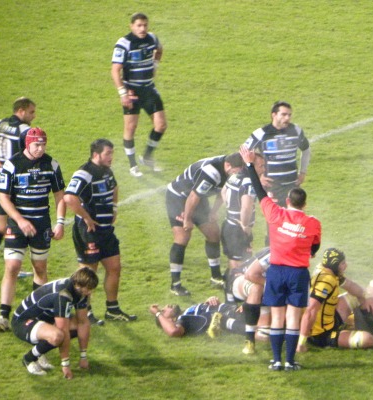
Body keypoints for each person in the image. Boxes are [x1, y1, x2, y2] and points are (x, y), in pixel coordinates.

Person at [240, 145, 321, 371]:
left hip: (276, 271)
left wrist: (249, 164)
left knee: (277, 317)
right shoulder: (313, 223)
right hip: (298, 273)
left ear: (287, 201)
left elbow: (259, 191)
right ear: (304, 204)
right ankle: (290, 361)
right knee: (293, 317)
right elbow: (315, 247)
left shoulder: (275, 214)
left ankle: (276, 361)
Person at [0, 127, 66, 332]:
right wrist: (19, 220)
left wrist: (60, 222)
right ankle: (3, 316)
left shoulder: (51, 164)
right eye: (37, 145)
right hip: (17, 225)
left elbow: (60, 196)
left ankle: (36, 313)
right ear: (27, 144)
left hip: (41, 224)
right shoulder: (12, 165)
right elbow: (4, 198)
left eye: (43, 144)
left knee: (40, 268)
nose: (41, 149)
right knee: (12, 266)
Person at [64, 139, 136, 323]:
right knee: (88, 274)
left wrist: (114, 207)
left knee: (114, 267)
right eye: (108, 153)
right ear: (96, 154)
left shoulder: (107, 171)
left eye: (112, 153)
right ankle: (85, 312)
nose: (111, 157)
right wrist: (86, 218)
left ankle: (112, 309)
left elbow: (115, 187)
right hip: (88, 231)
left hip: (106, 230)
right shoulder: (84, 173)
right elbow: (69, 198)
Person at [166, 153, 245, 296]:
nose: (236, 175)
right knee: (183, 237)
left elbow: (223, 190)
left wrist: (213, 211)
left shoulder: (230, 168)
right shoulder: (211, 172)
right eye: (235, 172)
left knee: (213, 233)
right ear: (228, 165)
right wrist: (187, 219)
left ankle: (215, 277)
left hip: (198, 196)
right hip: (179, 197)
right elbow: (193, 196)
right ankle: (175, 284)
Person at [0, 97, 36, 281]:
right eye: (31, 112)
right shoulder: (24, 130)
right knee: (18, 224)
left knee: (1, 226)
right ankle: (14, 267)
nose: (33, 116)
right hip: (16, 182)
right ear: (21, 111)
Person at [12, 267, 98, 378]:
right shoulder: (63, 295)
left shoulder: (79, 290)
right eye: (89, 289)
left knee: (78, 325)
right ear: (78, 285)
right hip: (22, 322)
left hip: (43, 320)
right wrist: (65, 365)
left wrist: (83, 357)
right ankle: (29, 359)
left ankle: (39, 353)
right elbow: (63, 330)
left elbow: (83, 322)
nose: (90, 292)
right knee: (57, 336)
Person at [112, 12, 166, 177]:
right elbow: (115, 71)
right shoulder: (124, 43)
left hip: (149, 89)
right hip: (132, 91)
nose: (142, 29)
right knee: (130, 127)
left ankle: (147, 157)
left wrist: (155, 64)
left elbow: (159, 49)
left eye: (145, 25)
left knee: (161, 125)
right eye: (139, 25)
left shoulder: (152, 38)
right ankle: (133, 165)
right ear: (132, 26)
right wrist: (123, 93)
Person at [297, 248, 373, 353]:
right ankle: (358, 327)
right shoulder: (325, 282)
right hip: (321, 334)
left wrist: (367, 296)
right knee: (368, 339)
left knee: (357, 295)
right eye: (343, 263)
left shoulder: (327, 270)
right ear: (335, 265)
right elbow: (310, 310)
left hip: (330, 319)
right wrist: (301, 343)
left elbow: (351, 286)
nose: (346, 266)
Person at [243, 101, 311, 207]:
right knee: (275, 216)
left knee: (294, 215)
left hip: (293, 184)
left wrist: (303, 172)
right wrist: (258, 176)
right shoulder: (261, 133)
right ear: (274, 115)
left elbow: (306, 150)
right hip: (273, 187)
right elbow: (243, 154)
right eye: (283, 114)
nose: (287, 118)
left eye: (289, 115)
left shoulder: (296, 130)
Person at [224, 247, 272, 354]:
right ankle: (249, 341)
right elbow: (250, 275)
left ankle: (225, 320)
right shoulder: (274, 252)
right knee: (257, 288)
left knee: (265, 334)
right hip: (241, 276)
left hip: (264, 287)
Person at [221, 153, 264, 269]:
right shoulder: (249, 183)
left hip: (228, 225)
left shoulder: (234, 176)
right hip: (238, 229)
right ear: (252, 165)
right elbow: (246, 207)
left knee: (233, 260)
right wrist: (244, 225)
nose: (263, 169)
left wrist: (231, 208)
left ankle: (230, 280)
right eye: (261, 166)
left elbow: (223, 192)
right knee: (240, 264)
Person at [149, 296, 247, 339]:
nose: (167, 306)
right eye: (163, 311)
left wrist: (211, 300)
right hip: (236, 315)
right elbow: (173, 331)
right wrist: (157, 313)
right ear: (170, 321)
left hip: (236, 309)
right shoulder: (183, 319)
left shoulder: (188, 312)